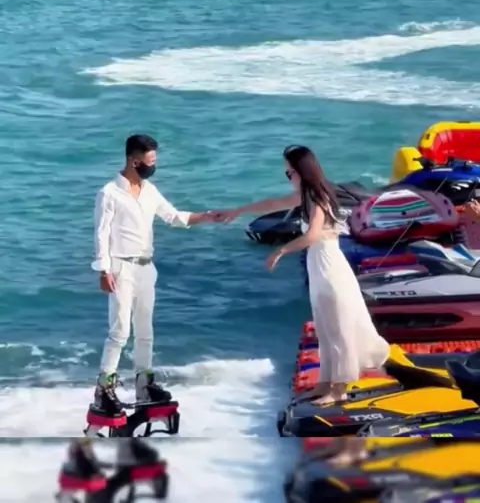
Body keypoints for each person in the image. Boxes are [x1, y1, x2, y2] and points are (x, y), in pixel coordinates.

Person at [219, 144, 389, 405]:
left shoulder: (318, 197)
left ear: (301, 171)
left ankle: (339, 389)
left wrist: (280, 251)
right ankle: (324, 382)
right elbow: (273, 203)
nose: (288, 177)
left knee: (338, 326)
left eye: (289, 172)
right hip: (318, 264)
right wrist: (238, 211)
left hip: (330, 265)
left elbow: (312, 235)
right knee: (324, 325)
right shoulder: (307, 194)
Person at [91, 133, 225, 414]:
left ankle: (144, 385)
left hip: (146, 267)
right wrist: (103, 270)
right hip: (121, 267)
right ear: (134, 160)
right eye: (150, 161)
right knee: (120, 331)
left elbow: (173, 216)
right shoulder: (109, 193)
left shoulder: (149, 190)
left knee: (145, 331)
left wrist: (206, 216)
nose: (153, 165)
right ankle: (104, 390)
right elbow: (101, 234)